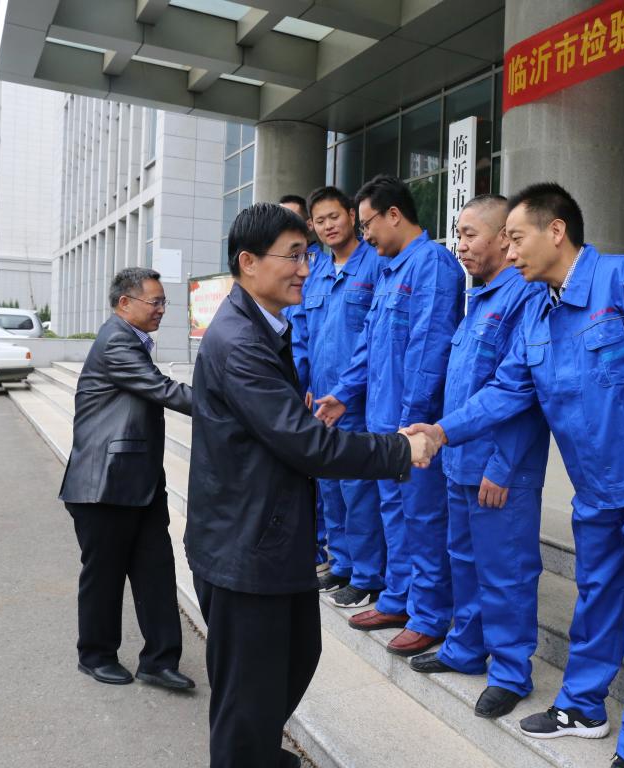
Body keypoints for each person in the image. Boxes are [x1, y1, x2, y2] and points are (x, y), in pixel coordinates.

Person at [408, 183, 624, 768]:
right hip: (595, 491)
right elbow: (506, 391)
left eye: (516, 238)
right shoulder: (538, 316)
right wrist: (440, 432)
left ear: (557, 231)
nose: (510, 251)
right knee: (596, 600)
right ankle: (583, 708)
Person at [184, 202, 436, 768]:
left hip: (268, 534)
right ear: (249, 262)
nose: (306, 269)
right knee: (247, 699)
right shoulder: (240, 342)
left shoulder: (263, 327)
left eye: (309, 255)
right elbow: (309, 445)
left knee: (295, 657)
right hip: (246, 547)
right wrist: (401, 448)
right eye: (294, 256)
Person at [407, 194, 550, 720]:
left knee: (506, 571)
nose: (460, 246)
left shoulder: (524, 297)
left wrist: (503, 465)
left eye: (470, 234)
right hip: (460, 462)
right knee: (464, 561)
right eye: (458, 235)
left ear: (503, 237)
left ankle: (511, 671)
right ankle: (465, 648)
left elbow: (527, 393)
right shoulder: (481, 298)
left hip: (498, 468)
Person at [315, 174, 465, 657]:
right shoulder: (388, 269)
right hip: (382, 421)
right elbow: (368, 343)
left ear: (394, 215)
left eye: (367, 224)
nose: (366, 235)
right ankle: (398, 599)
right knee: (394, 514)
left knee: (423, 519)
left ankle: (430, 615)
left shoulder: (433, 265)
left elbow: (428, 349)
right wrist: (343, 394)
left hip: (410, 426)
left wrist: (411, 421)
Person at [59, 267, 195, 690]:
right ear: (125, 303)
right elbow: (164, 390)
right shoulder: (117, 341)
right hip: (103, 485)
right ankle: (95, 655)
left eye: (163, 302)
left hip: (138, 482)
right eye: (155, 302)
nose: (161, 310)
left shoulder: (130, 339)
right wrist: (235, 398)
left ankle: (159, 661)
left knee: (156, 571)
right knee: (104, 576)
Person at [299, 185, 388, 608]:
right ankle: (343, 562)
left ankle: (368, 573)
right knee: (329, 485)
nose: (328, 226)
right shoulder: (315, 271)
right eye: (320, 221)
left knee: (358, 488)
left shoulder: (375, 263)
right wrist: (304, 383)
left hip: (358, 399)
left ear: (352, 216)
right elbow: (303, 333)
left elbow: (375, 338)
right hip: (321, 400)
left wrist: (346, 391)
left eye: (334, 216)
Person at [278, 193, 327, 573]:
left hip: (319, 393)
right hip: (291, 389)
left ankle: (322, 549)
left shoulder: (318, 269)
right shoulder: (281, 272)